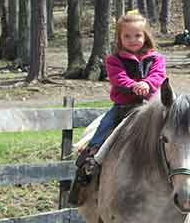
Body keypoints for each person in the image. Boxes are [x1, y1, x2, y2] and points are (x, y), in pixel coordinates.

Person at [69, 11, 167, 205]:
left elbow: (159, 76)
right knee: (104, 128)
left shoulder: (156, 58)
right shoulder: (114, 60)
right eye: (127, 36)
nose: (132, 40)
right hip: (124, 106)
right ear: (119, 38)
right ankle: (89, 162)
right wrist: (133, 86)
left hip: (151, 107)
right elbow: (118, 78)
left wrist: (147, 84)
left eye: (137, 35)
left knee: (172, 132)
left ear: (145, 36)